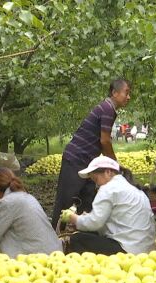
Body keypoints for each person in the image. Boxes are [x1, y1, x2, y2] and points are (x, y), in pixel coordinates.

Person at [51, 79, 131, 228]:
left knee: (88, 200)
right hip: (76, 158)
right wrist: (115, 166)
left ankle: (85, 235)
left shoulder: (109, 109)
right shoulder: (107, 108)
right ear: (114, 93)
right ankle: (52, 238)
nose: (129, 97)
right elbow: (105, 141)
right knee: (65, 200)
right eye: (126, 92)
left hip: (87, 162)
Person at [62, 156, 155, 255]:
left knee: (77, 239)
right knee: (89, 233)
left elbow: (94, 223)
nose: (96, 185)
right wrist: (85, 218)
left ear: (108, 172)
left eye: (96, 180)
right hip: (145, 248)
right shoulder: (131, 187)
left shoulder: (108, 188)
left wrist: (74, 218)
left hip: (128, 250)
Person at [0, 167, 62, 258]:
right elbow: (17, 220)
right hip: (54, 252)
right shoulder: (26, 196)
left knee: (4, 235)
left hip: (37, 257)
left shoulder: (7, 202)